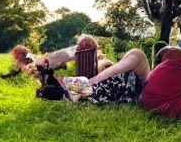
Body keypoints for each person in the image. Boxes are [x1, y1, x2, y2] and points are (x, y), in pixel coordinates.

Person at [8, 37, 150, 104]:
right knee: (87, 42)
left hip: (125, 87)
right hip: (113, 83)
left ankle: (68, 89)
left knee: (136, 54)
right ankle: (58, 80)